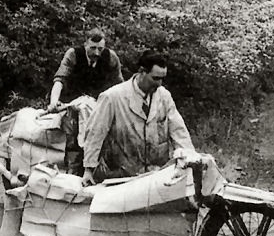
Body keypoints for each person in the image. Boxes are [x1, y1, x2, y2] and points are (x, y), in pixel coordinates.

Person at [80, 52, 193, 185]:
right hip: (120, 176)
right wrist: (88, 169)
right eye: (155, 78)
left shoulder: (164, 96)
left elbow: (179, 132)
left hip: (156, 175)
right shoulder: (112, 97)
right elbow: (95, 133)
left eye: (162, 79)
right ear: (142, 72)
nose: (159, 83)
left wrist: (190, 160)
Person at [47, 28, 124, 111]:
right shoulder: (73, 55)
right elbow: (60, 80)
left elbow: (120, 85)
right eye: (93, 48)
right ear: (85, 45)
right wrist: (53, 102)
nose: (96, 53)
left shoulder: (111, 57)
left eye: (100, 49)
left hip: (97, 106)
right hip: (71, 104)